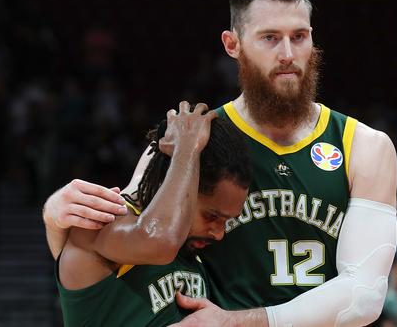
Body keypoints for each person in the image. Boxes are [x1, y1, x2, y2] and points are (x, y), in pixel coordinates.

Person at [42, 0, 397, 327]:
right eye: (270, 38)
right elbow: (111, 255)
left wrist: (238, 322)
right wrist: (57, 217)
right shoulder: (189, 138)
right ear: (233, 45)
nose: (288, 54)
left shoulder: (364, 146)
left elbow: (363, 297)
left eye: (299, 36)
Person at [55, 102, 252, 326]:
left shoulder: (190, 250)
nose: (219, 234)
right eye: (212, 216)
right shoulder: (99, 225)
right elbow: (160, 239)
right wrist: (186, 147)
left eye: (227, 221)